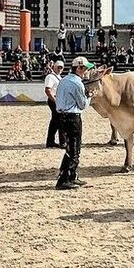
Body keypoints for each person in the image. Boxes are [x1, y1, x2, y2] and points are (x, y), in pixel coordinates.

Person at [54, 56, 91, 190]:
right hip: (73, 117)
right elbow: (82, 105)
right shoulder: (77, 83)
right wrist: (90, 96)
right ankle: (65, 179)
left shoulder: (64, 80)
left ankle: (71, 175)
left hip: (62, 116)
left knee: (70, 147)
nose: (87, 71)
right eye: (85, 68)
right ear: (79, 68)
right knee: (74, 149)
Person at [43, 59, 65, 148]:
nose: (60, 69)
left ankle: (50, 141)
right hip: (54, 100)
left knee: (54, 122)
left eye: (61, 67)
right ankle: (62, 142)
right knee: (60, 121)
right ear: (54, 67)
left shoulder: (58, 77)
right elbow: (48, 90)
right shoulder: (50, 77)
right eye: (58, 67)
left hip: (58, 100)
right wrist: (55, 101)